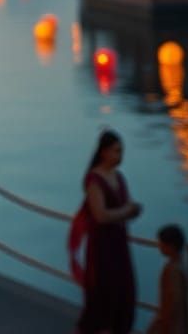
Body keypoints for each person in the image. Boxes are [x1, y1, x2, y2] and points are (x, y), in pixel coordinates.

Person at [77, 129, 142, 334]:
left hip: (119, 243)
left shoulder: (119, 177)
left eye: (121, 151)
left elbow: (126, 204)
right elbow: (100, 215)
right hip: (102, 247)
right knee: (105, 295)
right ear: (104, 152)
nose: (119, 155)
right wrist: (126, 211)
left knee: (125, 293)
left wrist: (132, 210)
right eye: (116, 151)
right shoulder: (94, 180)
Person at [147, 224, 188, 334]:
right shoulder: (182, 264)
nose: (159, 245)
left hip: (172, 325)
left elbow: (171, 302)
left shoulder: (171, 270)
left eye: (161, 243)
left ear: (170, 246)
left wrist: (162, 324)